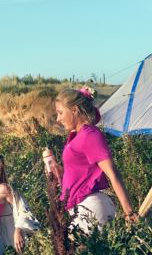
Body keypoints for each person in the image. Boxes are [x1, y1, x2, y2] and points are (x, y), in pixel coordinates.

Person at [50, 86, 138, 233]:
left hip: (91, 207)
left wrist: (128, 211)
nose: (58, 119)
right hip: (80, 207)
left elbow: (113, 174)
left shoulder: (90, 135)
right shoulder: (77, 136)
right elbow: (82, 170)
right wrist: (62, 172)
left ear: (74, 110)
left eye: (60, 113)